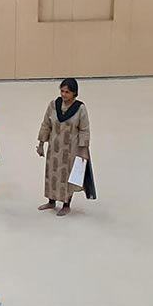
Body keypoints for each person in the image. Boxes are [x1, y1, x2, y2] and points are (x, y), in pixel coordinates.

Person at [37, 78, 94, 217]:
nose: (63, 94)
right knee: (52, 174)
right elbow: (46, 125)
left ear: (74, 93)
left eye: (67, 92)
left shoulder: (80, 108)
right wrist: (41, 144)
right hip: (54, 149)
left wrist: (83, 150)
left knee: (66, 176)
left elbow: (84, 130)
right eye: (62, 91)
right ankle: (51, 201)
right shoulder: (53, 105)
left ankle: (66, 204)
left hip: (70, 150)